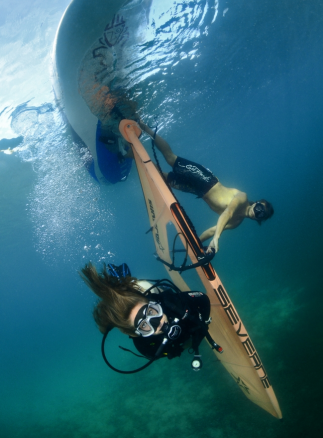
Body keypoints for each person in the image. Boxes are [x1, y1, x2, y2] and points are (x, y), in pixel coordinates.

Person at [137, 121, 274, 253]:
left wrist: (196, 244)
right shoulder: (242, 197)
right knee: (170, 158)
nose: (257, 212)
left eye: (261, 215)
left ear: (258, 220)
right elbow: (228, 213)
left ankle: (136, 156)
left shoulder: (236, 223)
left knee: (163, 178)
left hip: (198, 191)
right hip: (205, 179)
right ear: (256, 203)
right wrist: (216, 239)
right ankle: (145, 127)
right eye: (259, 208)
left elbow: (212, 231)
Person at [80, 262, 222, 372]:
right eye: (144, 325)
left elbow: (202, 298)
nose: (158, 323)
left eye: (153, 312)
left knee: (140, 286)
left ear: (155, 304)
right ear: (136, 333)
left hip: (145, 291)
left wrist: (204, 321)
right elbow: (172, 351)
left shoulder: (171, 303)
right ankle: (123, 283)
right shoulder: (146, 348)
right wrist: (189, 343)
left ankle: (124, 281)